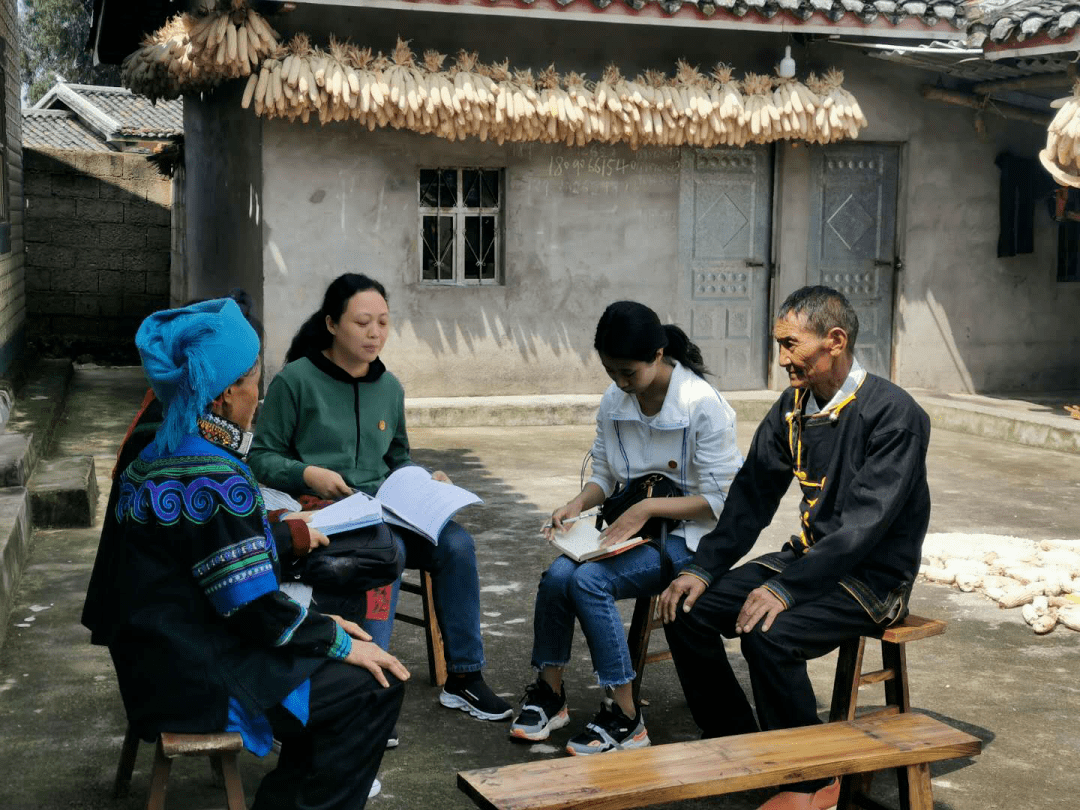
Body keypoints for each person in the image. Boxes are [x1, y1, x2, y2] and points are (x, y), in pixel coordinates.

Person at [82, 298, 408, 810]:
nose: (259, 393)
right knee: (375, 684)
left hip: (155, 661)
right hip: (195, 677)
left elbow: (219, 582)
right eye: (256, 378)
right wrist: (331, 639)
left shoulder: (154, 452)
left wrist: (313, 626)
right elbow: (251, 606)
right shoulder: (214, 475)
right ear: (228, 390)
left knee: (330, 648)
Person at [657, 286, 931, 810]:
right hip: (808, 561)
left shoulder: (895, 415)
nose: (781, 358)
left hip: (872, 577)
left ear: (834, 340)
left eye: (789, 344)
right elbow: (750, 498)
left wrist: (783, 589)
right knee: (686, 606)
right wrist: (704, 568)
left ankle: (810, 780)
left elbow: (863, 529)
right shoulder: (793, 407)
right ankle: (745, 746)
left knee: (769, 632)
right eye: (778, 344)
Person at [249, 273, 512, 722]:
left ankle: (465, 677)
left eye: (384, 323)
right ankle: (372, 691)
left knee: (457, 545)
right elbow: (261, 457)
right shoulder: (295, 381)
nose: (375, 333)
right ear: (332, 324)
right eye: (363, 322)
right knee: (386, 552)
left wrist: (426, 481)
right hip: (328, 517)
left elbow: (398, 457)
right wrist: (307, 473)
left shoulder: (389, 388)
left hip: (389, 508)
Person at [510, 300, 743, 755]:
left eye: (628, 373)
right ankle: (550, 693)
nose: (619, 383)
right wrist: (576, 503)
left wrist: (649, 509)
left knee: (590, 582)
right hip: (631, 530)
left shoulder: (703, 406)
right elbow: (604, 475)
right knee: (559, 576)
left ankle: (626, 715)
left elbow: (722, 502)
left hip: (688, 538)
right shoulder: (615, 400)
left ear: (658, 355)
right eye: (609, 371)